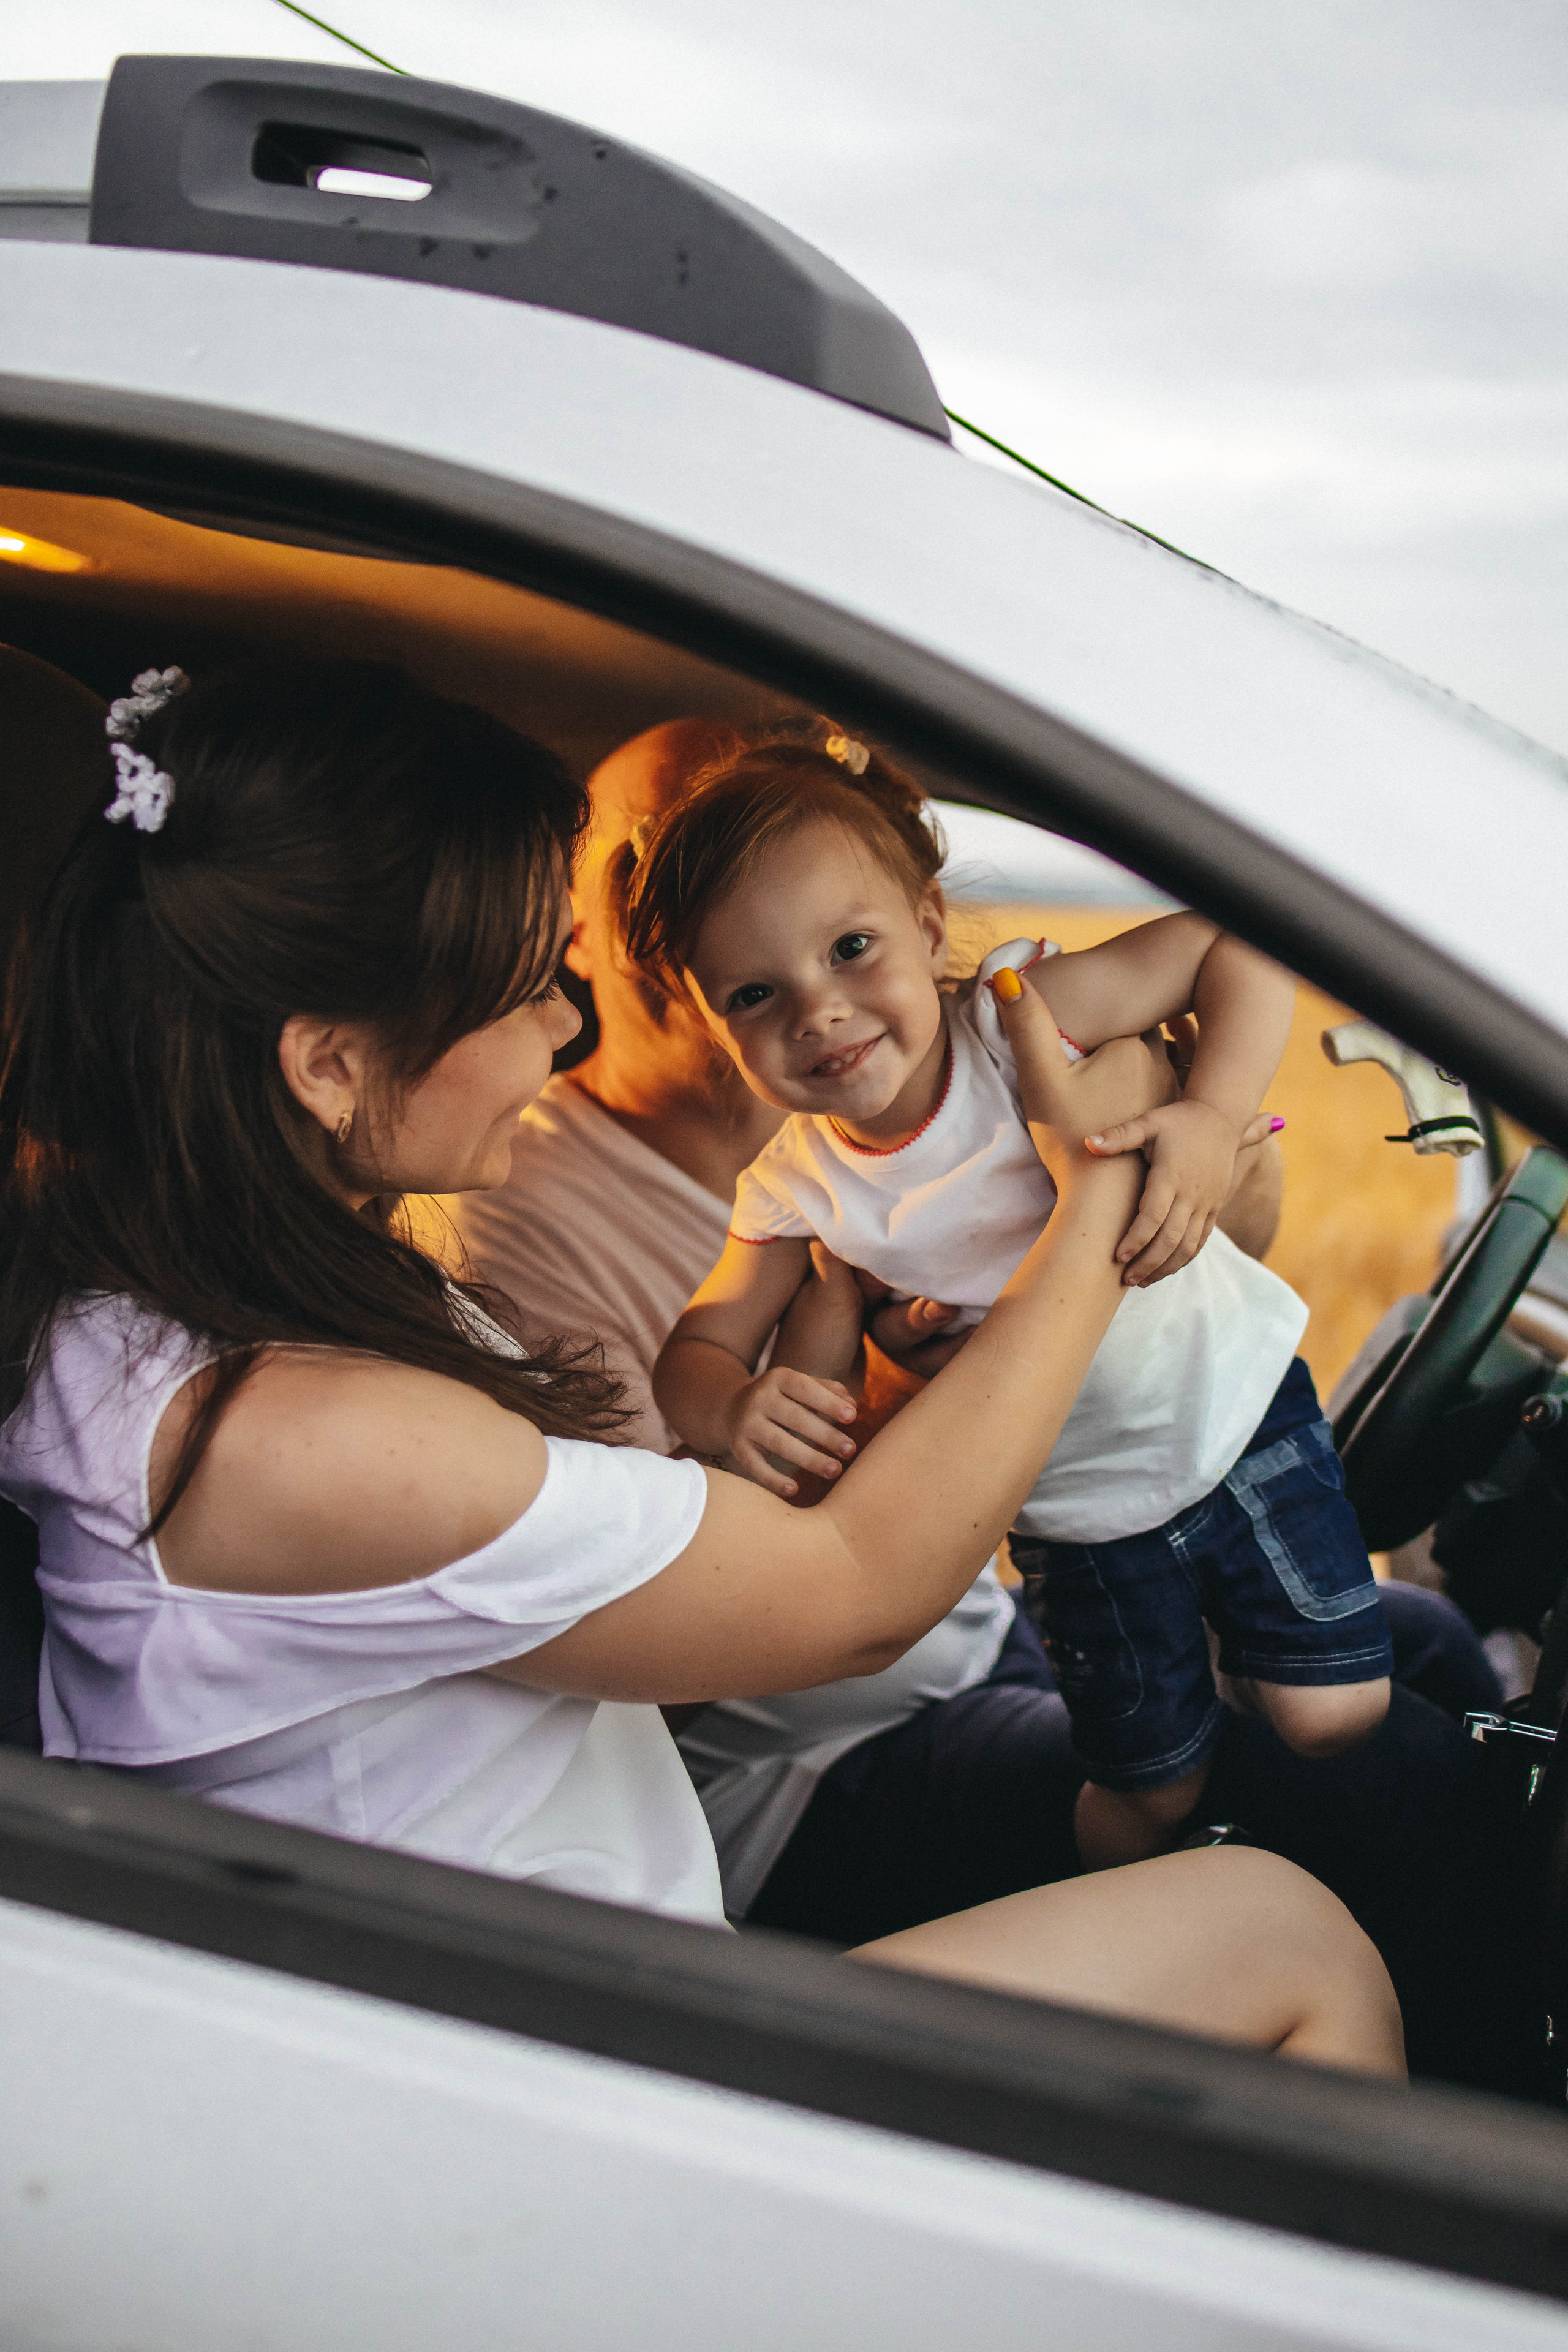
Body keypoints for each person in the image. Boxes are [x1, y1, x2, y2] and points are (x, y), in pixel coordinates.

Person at [0, 657, 1402, 2076]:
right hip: (562, 2085)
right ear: (327, 1066)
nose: (564, 1023)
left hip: (552, 2009)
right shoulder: (294, 1433)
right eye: (520, 990)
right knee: (1286, 1933)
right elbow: (853, 1595)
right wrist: (1092, 1180)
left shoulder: (155, 1326)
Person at [634, 733, 1393, 1869]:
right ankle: (1128, 1919)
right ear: (711, 1022)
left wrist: (1211, 1112)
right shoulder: (797, 1187)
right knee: (1148, 1793)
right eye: (755, 994)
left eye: (850, 949)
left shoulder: (1015, 1021)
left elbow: (1236, 944)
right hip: (1070, 1514)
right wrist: (731, 1409)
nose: (819, 1012)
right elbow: (700, 1345)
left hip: (1231, 1409)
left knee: (1337, 1713)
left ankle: (1244, 1698)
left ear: (928, 923)